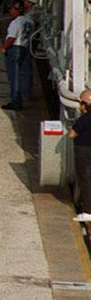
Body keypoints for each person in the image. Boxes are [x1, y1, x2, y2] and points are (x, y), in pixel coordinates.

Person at [0, 0, 35, 110]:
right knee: (22, 75)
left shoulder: (15, 23)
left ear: (17, 10)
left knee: (13, 77)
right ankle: (24, 95)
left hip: (15, 48)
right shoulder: (29, 21)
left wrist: (4, 47)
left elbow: (11, 38)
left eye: (12, 9)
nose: (10, 11)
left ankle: (15, 102)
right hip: (24, 48)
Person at [70, 90, 91, 222]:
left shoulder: (84, 118)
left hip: (83, 150)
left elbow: (72, 134)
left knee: (86, 179)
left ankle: (88, 211)